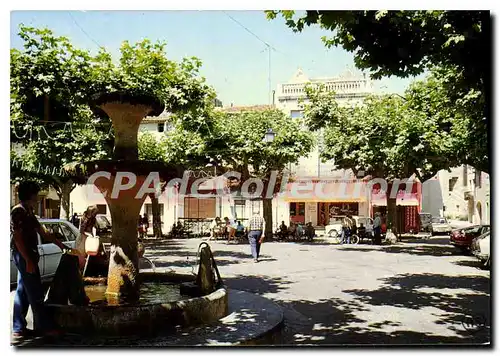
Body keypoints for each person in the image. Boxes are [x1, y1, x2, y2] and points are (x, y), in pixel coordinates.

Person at [11, 181, 74, 342]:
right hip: (24, 255)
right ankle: (45, 327)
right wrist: (28, 261)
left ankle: (18, 329)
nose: (38, 198)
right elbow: (17, 239)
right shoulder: (18, 212)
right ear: (30, 195)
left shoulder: (29, 211)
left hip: (30, 255)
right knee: (36, 292)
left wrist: (61, 244)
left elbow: (42, 231)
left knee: (22, 291)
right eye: (36, 194)